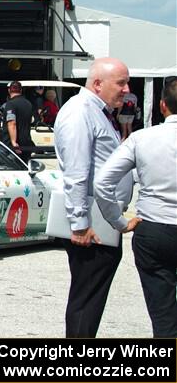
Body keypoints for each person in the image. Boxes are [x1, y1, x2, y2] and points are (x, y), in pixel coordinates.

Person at [53, 57, 132, 338]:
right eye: (121, 83)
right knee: (86, 300)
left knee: (90, 299)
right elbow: (76, 172)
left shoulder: (96, 112)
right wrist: (79, 224)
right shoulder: (80, 112)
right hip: (91, 226)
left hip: (101, 221)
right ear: (97, 84)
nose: (126, 89)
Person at [94, 76, 177, 337]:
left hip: (154, 227)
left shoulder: (141, 138)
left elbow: (103, 182)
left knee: (163, 314)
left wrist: (117, 221)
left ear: (162, 105)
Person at [3, 81, 34, 163]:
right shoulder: (28, 104)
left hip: (14, 144)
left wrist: (13, 142)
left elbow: (11, 123)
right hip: (26, 142)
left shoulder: (11, 104)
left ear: (9, 90)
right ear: (21, 90)